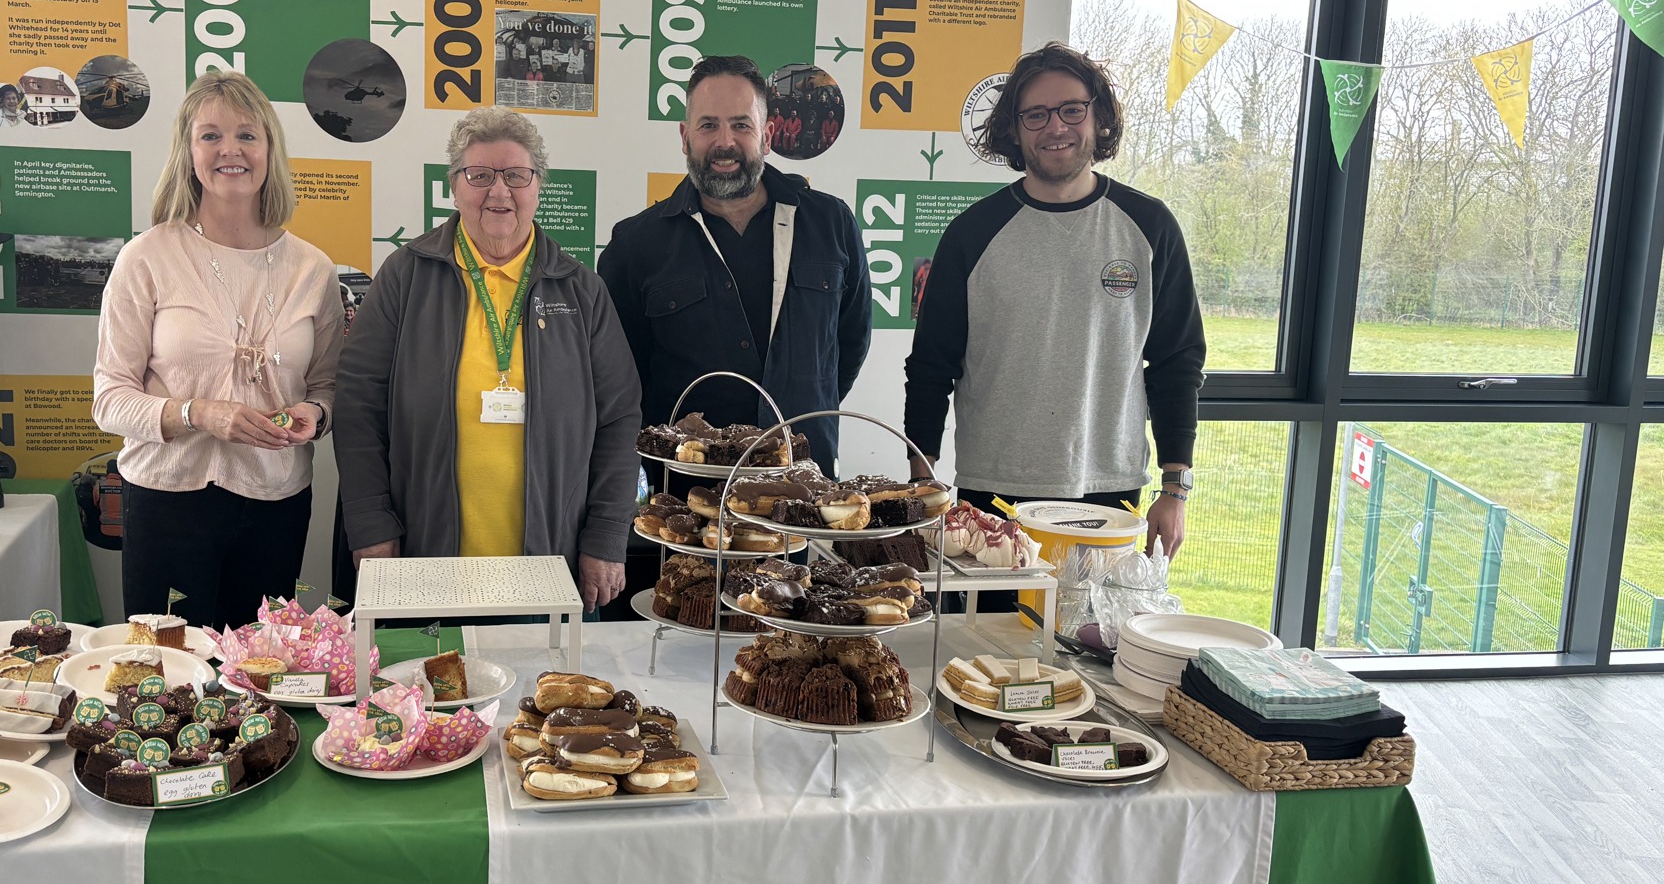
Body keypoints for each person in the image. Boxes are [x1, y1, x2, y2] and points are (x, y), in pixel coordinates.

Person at [334, 106, 641, 611]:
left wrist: (607, 536)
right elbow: (357, 408)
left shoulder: (582, 290)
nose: (499, 192)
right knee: (430, 686)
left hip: (551, 557)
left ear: (538, 186)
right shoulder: (404, 277)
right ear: (454, 186)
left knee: (541, 687)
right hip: (424, 555)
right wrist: (370, 526)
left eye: (516, 176)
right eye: (479, 176)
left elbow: (621, 419)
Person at [904, 42, 1204, 556]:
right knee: (984, 638)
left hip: (1109, 490)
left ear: (1099, 117)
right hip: (993, 493)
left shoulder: (1150, 227)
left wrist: (1174, 488)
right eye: (1036, 115)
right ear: (1015, 130)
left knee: (1090, 637)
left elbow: (1177, 362)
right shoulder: (971, 234)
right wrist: (923, 487)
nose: (1055, 127)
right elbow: (931, 369)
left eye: (1072, 109)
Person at [92, 71, 343, 629]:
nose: (230, 150)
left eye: (247, 135)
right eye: (210, 136)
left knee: (259, 676)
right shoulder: (147, 257)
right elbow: (109, 400)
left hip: (277, 503)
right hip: (166, 500)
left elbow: (328, 388)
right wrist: (198, 413)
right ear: (188, 152)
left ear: (269, 149)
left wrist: (316, 414)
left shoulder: (314, 269)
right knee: (163, 681)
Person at [598, 54, 871, 470]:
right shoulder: (636, 244)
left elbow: (848, 349)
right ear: (685, 137)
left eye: (741, 125)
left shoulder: (831, 224)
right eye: (708, 125)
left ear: (767, 136)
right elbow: (620, 378)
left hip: (803, 495)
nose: (724, 142)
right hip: (682, 502)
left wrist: (800, 405)